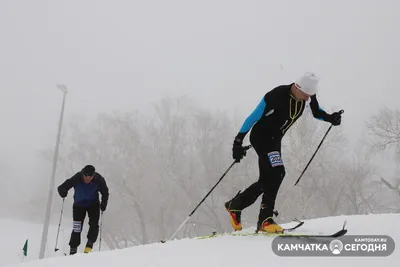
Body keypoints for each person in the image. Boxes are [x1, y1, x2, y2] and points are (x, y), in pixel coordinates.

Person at [224, 72, 342, 233]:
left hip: (275, 140)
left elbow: (316, 112)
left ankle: (236, 205)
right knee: (278, 172)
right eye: (306, 95)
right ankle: (265, 220)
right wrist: (238, 142)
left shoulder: (308, 96)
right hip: (261, 137)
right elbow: (252, 117)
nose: (308, 99)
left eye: (310, 96)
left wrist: (330, 118)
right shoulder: (276, 95)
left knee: (267, 178)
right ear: (297, 87)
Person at [57, 165, 109, 255]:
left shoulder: (98, 179)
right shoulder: (77, 177)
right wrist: (63, 192)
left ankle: (89, 247)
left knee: (94, 225)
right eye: (86, 176)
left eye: (90, 177)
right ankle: (73, 249)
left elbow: (105, 192)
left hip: (93, 204)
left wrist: (104, 203)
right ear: (82, 175)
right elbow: (62, 187)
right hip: (79, 205)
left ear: (93, 176)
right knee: (77, 228)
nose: (88, 179)